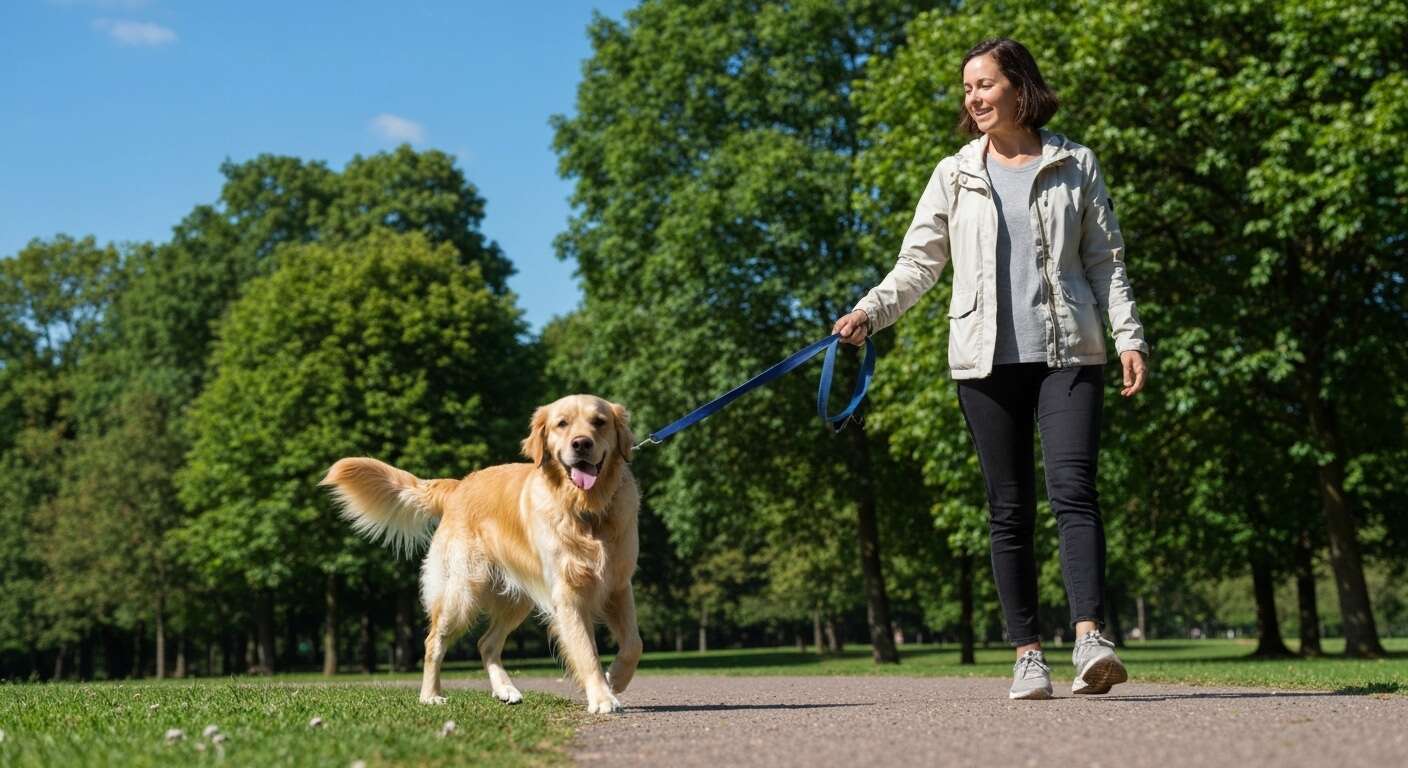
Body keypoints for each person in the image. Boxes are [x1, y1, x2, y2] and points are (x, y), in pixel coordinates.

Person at [833, 38, 1149, 700]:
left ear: (1019, 86)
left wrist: (1129, 336)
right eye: (967, 87)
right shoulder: (954, 174)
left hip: (1070, 352)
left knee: (1074, 492)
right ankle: (1028, 655)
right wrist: (869, 312)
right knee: (1009, 509)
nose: (973, 97)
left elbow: (1105, 260)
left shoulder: (1075, 163)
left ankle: (1090, 639)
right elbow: (919, 263)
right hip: (984, 361)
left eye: (985, 84)